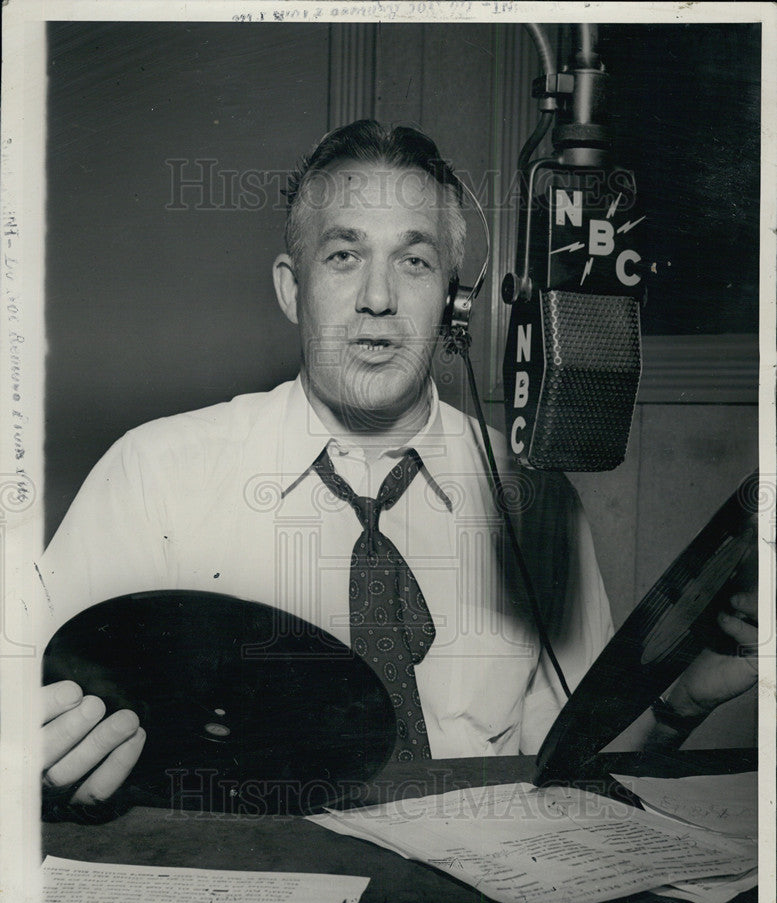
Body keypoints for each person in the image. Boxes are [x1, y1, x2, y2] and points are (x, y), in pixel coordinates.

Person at [38, 120, 758, 812]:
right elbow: (36, 716)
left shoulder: (534, 502)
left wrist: (680, 703)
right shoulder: (154, 476)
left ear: (454, 298)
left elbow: (571, 774)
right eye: (343, 257)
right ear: (293, 289)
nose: (377, 300)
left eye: (412, 263)